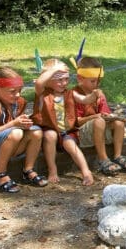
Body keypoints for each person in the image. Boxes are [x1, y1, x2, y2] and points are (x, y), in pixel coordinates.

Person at [0, 67, 46, 193]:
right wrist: (14, 124)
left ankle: (28, 170)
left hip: (8, 145)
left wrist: (24, 124)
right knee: (16, 132)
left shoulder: (18, 102)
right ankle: (0, 174)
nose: (17, 94)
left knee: (36, 131)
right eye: (12, 91)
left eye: (19, 90)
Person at [31, 58, 100, 186]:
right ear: (48, 80)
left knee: (70, 143)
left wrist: (94, 95)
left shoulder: (70, 93)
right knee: (50, 135)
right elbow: (40, 82)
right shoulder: (42, 93)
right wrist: (55, 69)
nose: (64, 83)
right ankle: (52, 169)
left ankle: (86, 171)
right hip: (49, 130)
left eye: (66, 79)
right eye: (59, 79)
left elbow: (85, 100)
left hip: (67, 132)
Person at [73, 56, 126, 176]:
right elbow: (76, 122)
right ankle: (103, 159)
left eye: (98, 81)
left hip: (99, 130)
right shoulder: (75, 95)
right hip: (81, 135)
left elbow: (104, 114)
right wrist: (96, 116)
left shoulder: (99, 95)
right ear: (80, 79)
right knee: (99, 121)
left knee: (118, 123)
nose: (96, 84)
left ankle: (118, 155)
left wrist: (112, 117)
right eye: (92, 81)